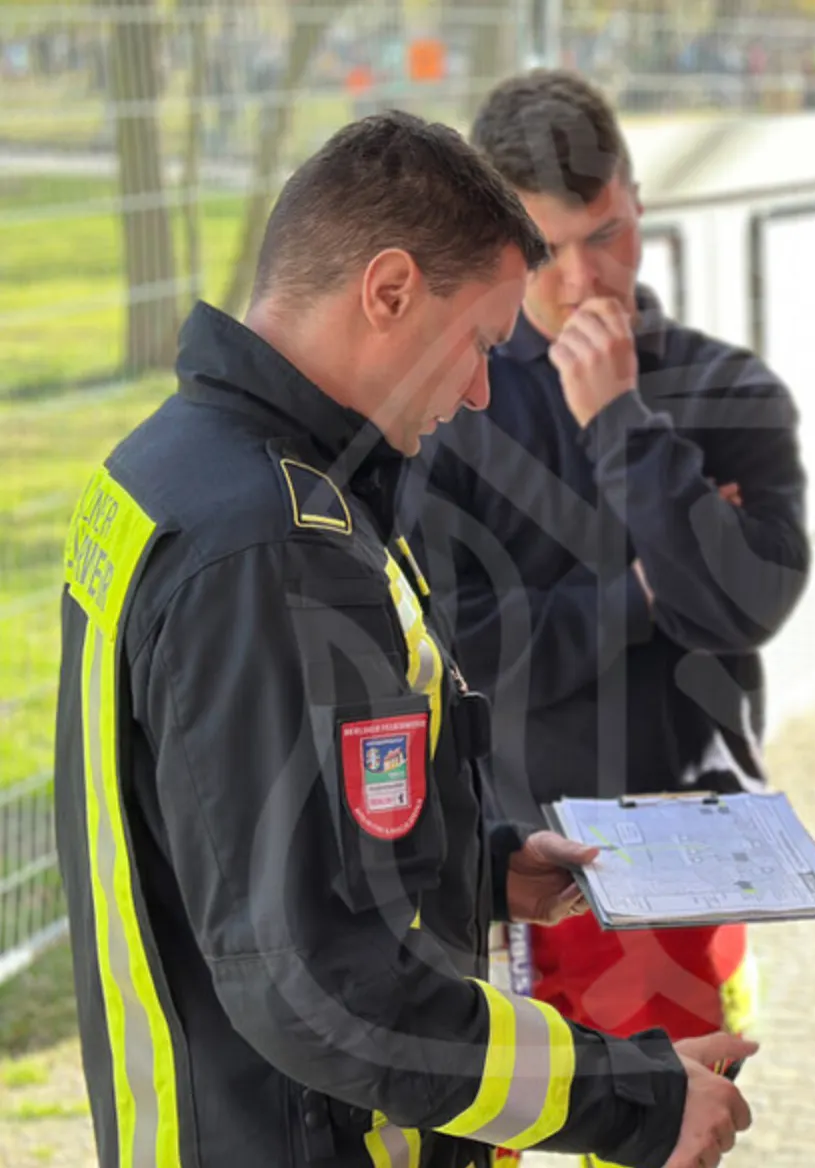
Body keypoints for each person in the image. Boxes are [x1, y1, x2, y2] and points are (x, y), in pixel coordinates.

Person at [53, 110, 756, 1168]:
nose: (479, 391)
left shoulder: (173, 470)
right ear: (386, 291)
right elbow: (314, 983)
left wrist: (473, 868)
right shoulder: (270, 546)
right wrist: (635, 1100)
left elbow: (231, 837)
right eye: (478, 343)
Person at [402, 70, 807, 1064]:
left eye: (608, 235)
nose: (587, 279)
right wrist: (643, 587)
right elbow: (464, 646)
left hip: (681, 848)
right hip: (505, 854)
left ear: (637, 207)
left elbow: (741, 609)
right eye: (546, 251)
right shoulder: (443, 408)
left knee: (672, 1126)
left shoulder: (731, 390)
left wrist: (620, 422)